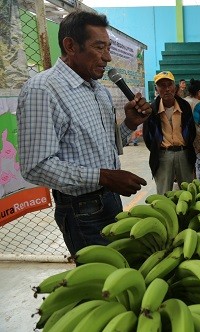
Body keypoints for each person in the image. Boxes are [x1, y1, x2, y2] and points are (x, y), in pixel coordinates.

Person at [16, 11, 151, 256]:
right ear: (70, 45)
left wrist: (129, 124)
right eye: (99, 47)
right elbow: (35, 166)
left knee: (122, 273)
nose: (107, 57)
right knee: (102, 283)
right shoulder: (43, 90)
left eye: (108, 48)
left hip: (111, 198)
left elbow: (104, 145)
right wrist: (103, 177)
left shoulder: (99, 91)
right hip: (82, 210)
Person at [143, 71, 196, 195]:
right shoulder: (151, 109)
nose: (166, 89)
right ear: (156, 89)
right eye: (162, 86)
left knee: (188, 193)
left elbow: (192, 130)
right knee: (163, 194)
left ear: (175, 87)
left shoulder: (185, 106)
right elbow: (148, 137)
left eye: (169, 85)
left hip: (184, 153)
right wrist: (157, 149)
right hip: (163, 155)